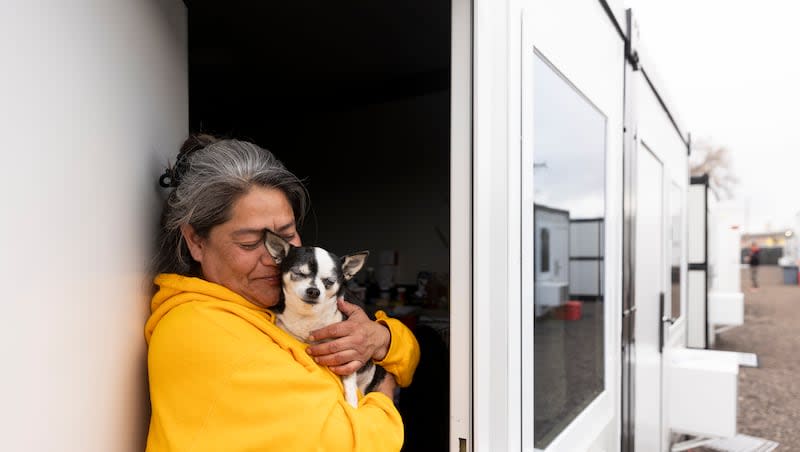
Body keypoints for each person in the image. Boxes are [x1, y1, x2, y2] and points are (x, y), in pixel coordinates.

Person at [145, 134, 420, 451]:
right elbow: (362, 445)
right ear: (196, 241)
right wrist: (383, 383)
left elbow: (409, 355)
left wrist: (379, 339)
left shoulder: (278, 302)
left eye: (286, 236)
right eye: (249, 243)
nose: (276, 259)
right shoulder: (203, 333)